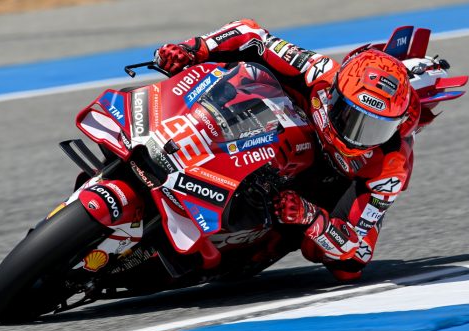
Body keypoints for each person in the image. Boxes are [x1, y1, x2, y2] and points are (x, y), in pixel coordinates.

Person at [154, 19, 421, 281]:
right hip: (275, 129)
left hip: (320, 193)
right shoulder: (319, 71)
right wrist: (194, 48)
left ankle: (257, 237)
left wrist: (310, 216)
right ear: (335, 94)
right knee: (235, 80)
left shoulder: (389, 167)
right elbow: (251, 34)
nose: (357, 138)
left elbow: (352, 246)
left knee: (348, 266)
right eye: (351, 118)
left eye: (376, 128)